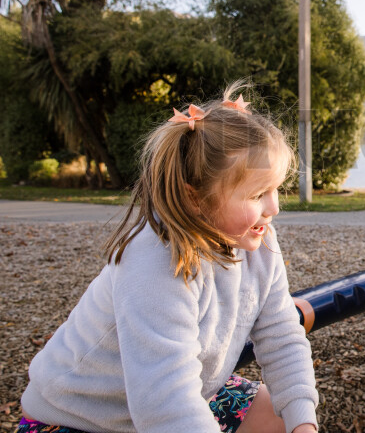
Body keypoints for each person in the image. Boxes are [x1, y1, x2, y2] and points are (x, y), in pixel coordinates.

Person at [18, 83, 318, 433]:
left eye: (276, 188)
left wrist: (303, 423)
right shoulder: (154, 260)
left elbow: (281, 335)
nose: (274, 208)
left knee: (280, 418)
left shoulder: (258, 241)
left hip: (179, 397)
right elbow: (164, 403)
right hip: (79, 417)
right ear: (196, 199)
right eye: (257, 194)